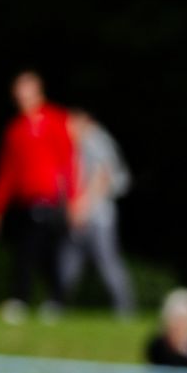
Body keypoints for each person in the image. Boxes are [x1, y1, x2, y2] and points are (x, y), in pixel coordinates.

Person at [0, 70, 76, 322]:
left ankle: (33, 298)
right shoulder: (15, 130)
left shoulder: (56, 120)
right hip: (24, 203)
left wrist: (73, 200)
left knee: (39, 252)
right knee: (31, 250)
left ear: (37, 90)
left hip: (50, 202)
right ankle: (49, 298)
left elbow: (67, 163)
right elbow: (7, 175)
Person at [61, 112, 136, 315]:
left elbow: (103, 177)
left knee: (107, 261)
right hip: (80, 215)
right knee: (69, 260)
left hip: (99, 216)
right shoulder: (77, 145)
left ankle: (125, 308)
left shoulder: (97, 141)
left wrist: (82, 206)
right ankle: (58, 303)